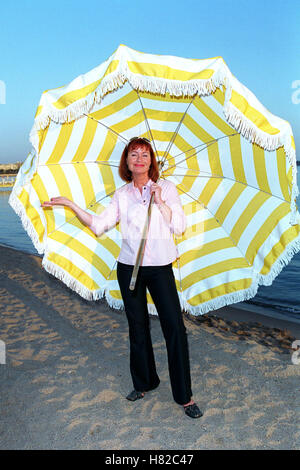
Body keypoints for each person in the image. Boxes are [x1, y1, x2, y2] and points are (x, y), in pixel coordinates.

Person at [41, 137, 202, 419]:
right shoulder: (122, 194)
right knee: (137, 328)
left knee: (175, 329)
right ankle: (144, 383)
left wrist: (160, 202)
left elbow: (180, 226)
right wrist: (70, 204)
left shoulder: (166, 188)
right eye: (133, 154)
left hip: (160, 267)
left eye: (144, 154)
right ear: (126, 162)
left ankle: (184, 397)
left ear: (152, 161)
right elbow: (99, 225)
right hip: (129, 268)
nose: (139, 158)